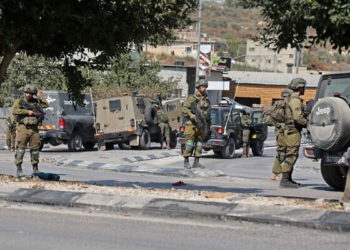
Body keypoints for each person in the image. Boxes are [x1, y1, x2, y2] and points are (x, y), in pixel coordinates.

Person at [275, 78, 308, 188]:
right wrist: (307, 124)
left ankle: (288, 179)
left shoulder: (288, 99)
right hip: (293, 132)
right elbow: (297, 117)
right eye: (304, 87)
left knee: (290, 154)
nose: (305, 89)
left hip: (287, 131)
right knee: (292, 155)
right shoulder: (295, 100)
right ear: (300, 87)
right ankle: (285, 180)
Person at [12, 84, 48, 179]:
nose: (29, 95)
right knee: (20, 149)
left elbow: (45, 104)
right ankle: (19, 169)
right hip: (23, 128)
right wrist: (27, 112)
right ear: (24, 93)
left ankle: (35, 169)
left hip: (34, 129)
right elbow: (15, 110)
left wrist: (39, 95)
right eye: (27, 93)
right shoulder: (19, 101)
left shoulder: (36, 102)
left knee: (35, 150)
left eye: (31, 93)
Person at [182, 79, 211, 169]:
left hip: (202, 125)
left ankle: (196, 162)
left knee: (199, 145)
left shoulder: (207, 100)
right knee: (189, 144)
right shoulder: (192, 98)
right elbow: (184, 108)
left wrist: (209, 126)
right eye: (202, 86)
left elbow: (209, 113)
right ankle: (186, 161)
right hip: (192, 124)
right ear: (198, 87)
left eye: (205, 87)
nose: (204, 88)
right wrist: (191, 115)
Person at [270, 88, 293, 181]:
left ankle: (275, 172)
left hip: (279, 130)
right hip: (286, 130)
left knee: (280, 151)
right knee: (285, 152)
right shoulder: (288, 104)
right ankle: (278, 173)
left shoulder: (277, 104)